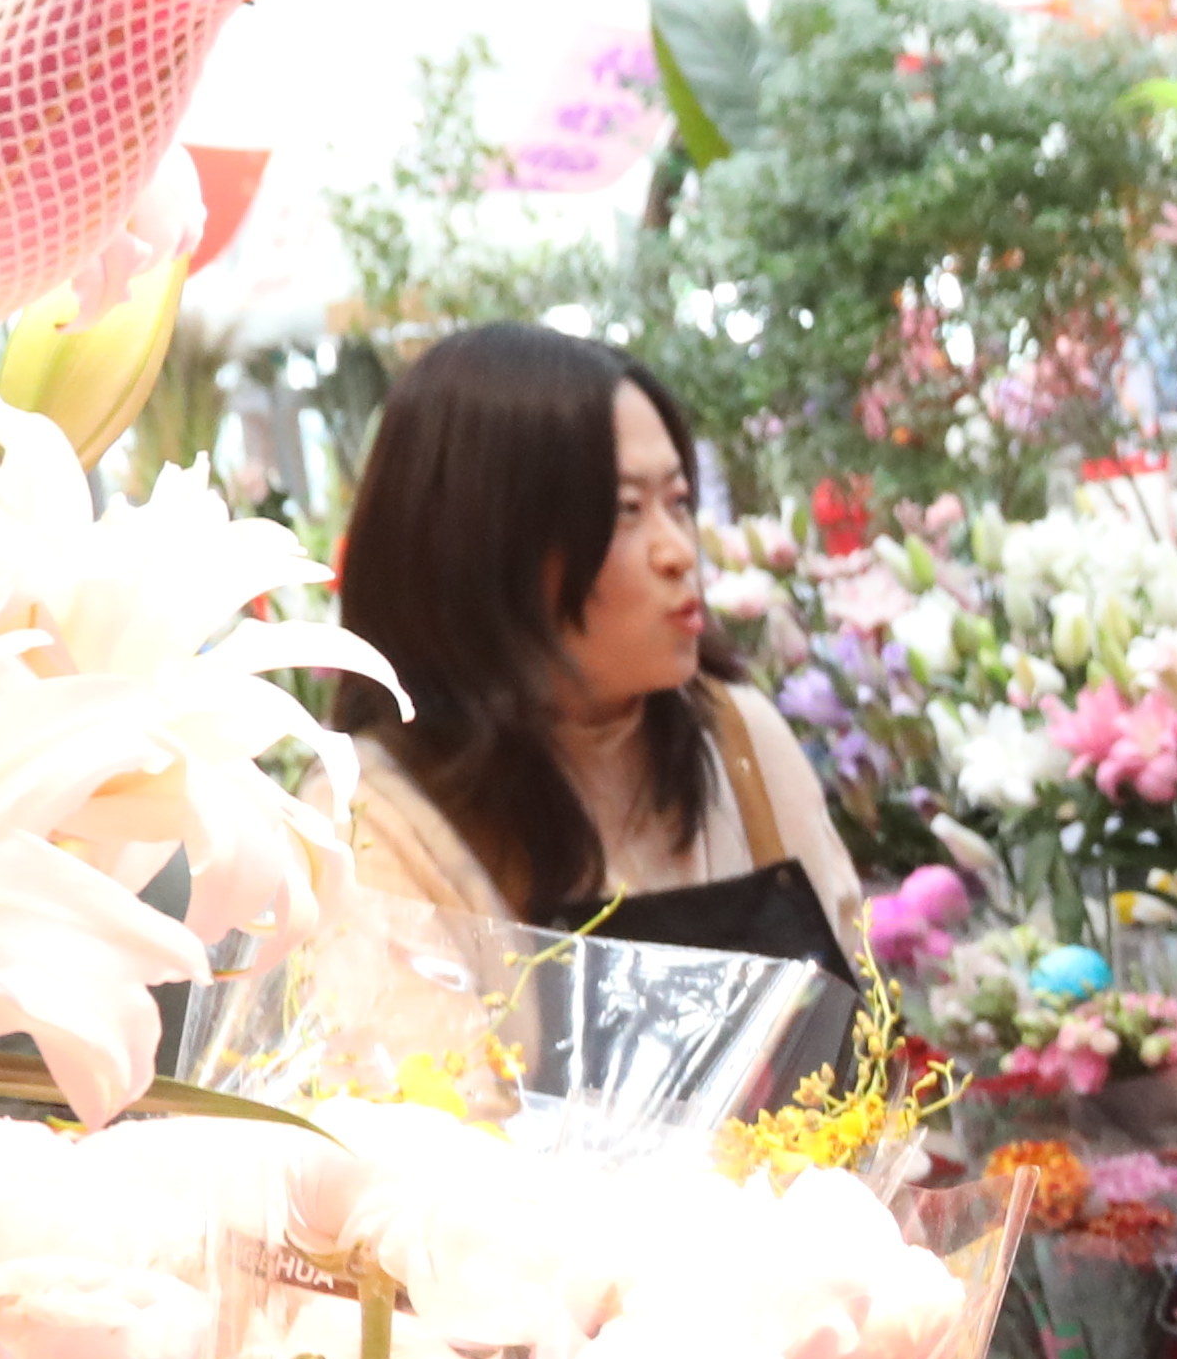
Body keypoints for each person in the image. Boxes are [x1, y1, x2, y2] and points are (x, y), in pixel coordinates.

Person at [333, 322, 875, 979]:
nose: (677, 551)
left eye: (678, 502)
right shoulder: (382, 820)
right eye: (625, 511)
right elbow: (407, 1076)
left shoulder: (738, 740)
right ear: (487, 545)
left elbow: (865, 1032)